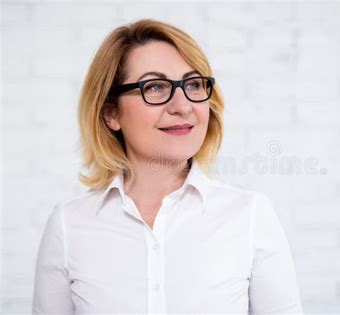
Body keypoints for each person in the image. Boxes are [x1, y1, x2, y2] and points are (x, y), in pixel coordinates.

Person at [32, 19, 303, 314]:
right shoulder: (68, 225)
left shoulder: (250, 217)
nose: (182, 105)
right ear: (111, 113)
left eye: (193, 84)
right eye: (156, 87)